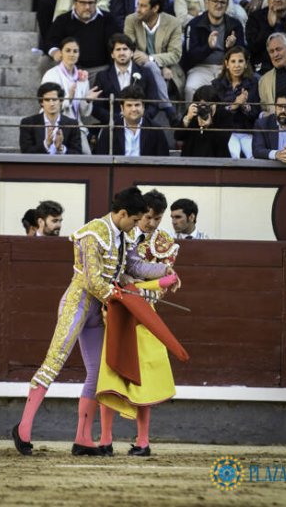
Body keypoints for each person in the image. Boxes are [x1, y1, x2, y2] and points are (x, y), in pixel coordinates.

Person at [12, 186, 172, 456]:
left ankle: (83, 439)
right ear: (122, 213)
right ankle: (23, 428)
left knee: (98, 373)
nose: (137, 226)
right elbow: (92, 279)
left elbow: (132, 266)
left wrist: (163, 270)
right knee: (54, 362)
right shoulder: (92, 232)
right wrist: (119, 294)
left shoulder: (126, 233)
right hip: (78, 303)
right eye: (134, 220)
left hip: (100, 309)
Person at [97, 189, 180, 457]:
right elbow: (117, 272)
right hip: (119, 311)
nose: (151, 223)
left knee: (145, 378)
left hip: (145, 314)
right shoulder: (123, 233)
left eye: (158, 218)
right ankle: (105, 439)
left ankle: (143, 441)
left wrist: (149, 283)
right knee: (111, 372)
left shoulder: (166, 244)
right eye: (147, 217)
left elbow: (155, 288)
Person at [124, 0, 184, 122]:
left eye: (143, 6)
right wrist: (155, 64)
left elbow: (175, 54)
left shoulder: (173, 23)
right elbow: (129, 48)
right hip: (138, 65)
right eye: (138, 4)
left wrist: (152, 59)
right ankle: (168, 107)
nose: (138, 9)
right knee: (150, 66)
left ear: (155, 8)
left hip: (168, 68)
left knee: (151, 64)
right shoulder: (131, 20)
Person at [43, 0, 120, 83]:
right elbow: (50, 41)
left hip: (99, 71)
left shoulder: (108, 20)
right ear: (75, 3)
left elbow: (117, 42)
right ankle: (50, 94)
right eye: (83, 3)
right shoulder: (63, 20)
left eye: (91, 3)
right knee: (44, 62)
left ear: (96, 2)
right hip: (68, 68)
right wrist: (55, 52)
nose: (87, 7)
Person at [181, 0, 245, 102]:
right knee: (190, 88)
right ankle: (190, 118)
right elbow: (189, 57)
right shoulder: (194, 25)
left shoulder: (235, 25)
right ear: (207, 3)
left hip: (227, 68)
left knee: (237, 90)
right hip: (201, 68)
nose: (219, 5)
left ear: (226, 5)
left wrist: (232, 48)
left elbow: (244, 54)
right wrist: (208, 47)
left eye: (222, 2)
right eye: (215, 1)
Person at [42, 37, 102, 154]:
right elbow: (47, 104)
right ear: (61, 53)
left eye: (75, 51)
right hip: (54, 124)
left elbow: (84, 113)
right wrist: (68, 99)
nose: (72, 54)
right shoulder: (51, 74)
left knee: (87, 156)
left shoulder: (82, 78)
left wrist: (87, 100)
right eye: (68, 50)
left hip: (76, 126)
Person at [92, 32, 159, 125]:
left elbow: (154, 103)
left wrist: (139, 119)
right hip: (112, 127)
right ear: (112, 54)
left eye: (125, 49)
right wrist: (115, 120)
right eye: (118, 49)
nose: (122, 53)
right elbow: (97, 107)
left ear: (131, 53)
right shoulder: (102, 76)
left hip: (141, 125)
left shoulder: (145, 73)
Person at [211, 45, 260, 159]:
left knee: (252, 156)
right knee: (234, 156)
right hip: (227, 132)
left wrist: (245, 106)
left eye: (240, 61)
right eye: (233, 61)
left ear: (246, 64)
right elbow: (215, 113)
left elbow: (257, 112)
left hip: (247, 131)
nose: (237, 65)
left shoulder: (254, 84)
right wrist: (234, 105)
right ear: (227, 64)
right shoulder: (217, 85)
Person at [94, 84, 169, 155]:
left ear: (143, 107)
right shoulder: (110, 130)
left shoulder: (156, 130)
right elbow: (101, 160)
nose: (133, 109)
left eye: (137, 105)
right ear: (122, 108)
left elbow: (164, 161)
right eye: (129, 105)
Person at [19, 82, 82, 154]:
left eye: (54, 100)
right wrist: (46, 144)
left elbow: (77, 153)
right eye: (47, 100)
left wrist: (61, 148)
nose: (51, 104)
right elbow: (26, 151)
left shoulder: (72, 124)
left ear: (60, 101)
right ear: (41, 102)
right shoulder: (28, 123)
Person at [175, 84, 232, 157]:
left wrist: (209, 126)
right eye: (201, 105)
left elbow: (223, 141)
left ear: (216, 104)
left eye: (208, 105)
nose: (205, 108)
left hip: (215, 158)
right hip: (192, 157)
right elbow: (178, 136)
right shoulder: (193, 113)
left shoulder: (224, 115)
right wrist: (187, 119)